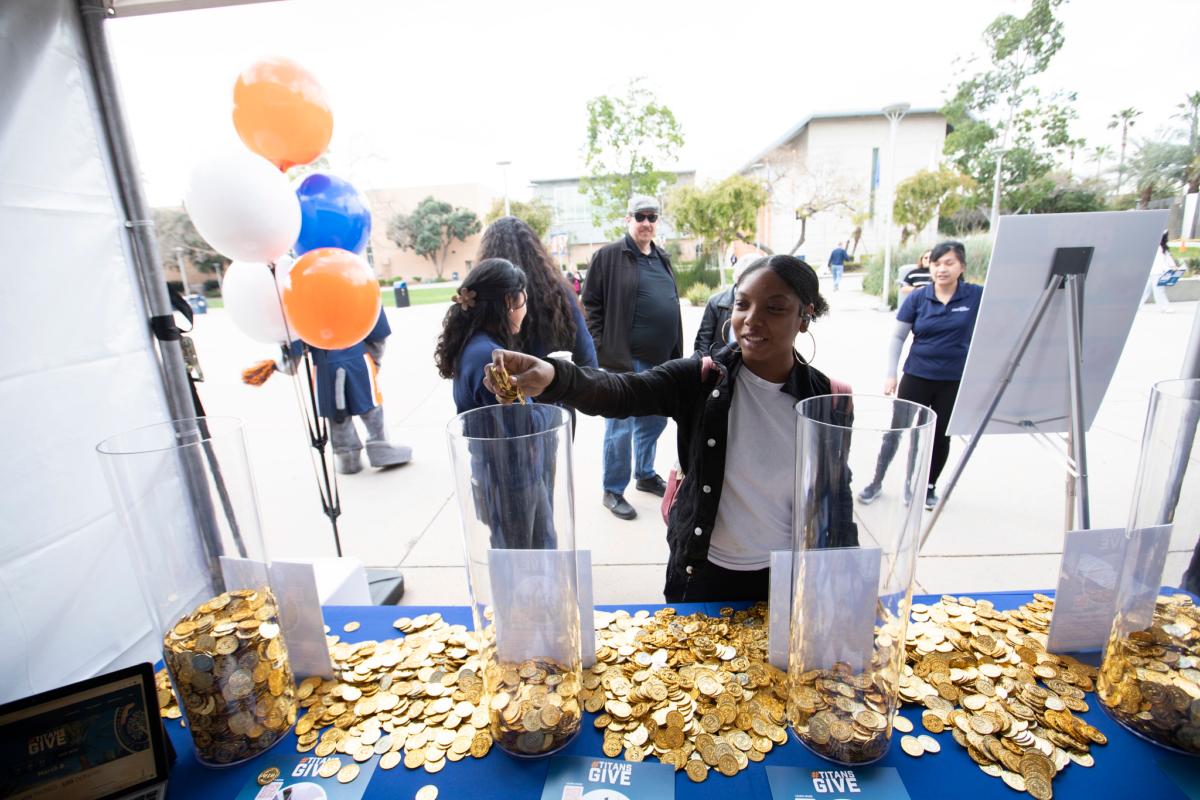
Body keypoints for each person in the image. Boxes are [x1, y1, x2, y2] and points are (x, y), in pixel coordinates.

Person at [486, 255, 854, 602]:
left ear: (804, 317)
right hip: (702, 575)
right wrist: (554, 376)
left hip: (785, 582)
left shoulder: (829, 400)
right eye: (742, 304)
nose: (752, 320)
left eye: (774, 308)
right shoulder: (701, 378)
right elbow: (622, 391)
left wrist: (849, 583)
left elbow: (835, 497)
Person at [857, 241, 982, 510]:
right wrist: (891, 375)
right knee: (897, 431)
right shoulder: (918, 297)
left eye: (949, 263)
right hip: (917, 376)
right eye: (937, 263)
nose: (942, 269)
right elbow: (898, 337)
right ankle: (877, 481)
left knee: (940, 436)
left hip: (953, 380)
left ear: (962, 266)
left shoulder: (974, 296)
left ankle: (927, 487)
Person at [582, 195, 684, 520]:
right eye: (640, 216)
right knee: (620, 427)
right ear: (628, 219)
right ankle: (612, 490)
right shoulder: (609, 256)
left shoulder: (662, 257)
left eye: (652, 217)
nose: (647, 223)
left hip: (662, 360)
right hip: (624, 361)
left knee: (655, 420)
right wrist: (601, 349)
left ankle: (644, 473)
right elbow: (590, 305)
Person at [477, 217, 597, 369]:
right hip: (558, 384)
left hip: (507, 387)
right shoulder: (559, 292)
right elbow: (586, 354)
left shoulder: (485, 298)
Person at [434, 258, 529, 414]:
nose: (526, 309)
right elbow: (526, 426)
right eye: (525, 300)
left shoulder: (472, 344)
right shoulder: (492, 358)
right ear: (509, 302)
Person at [693, 252, 761, 355]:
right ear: (738, 279)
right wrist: (706, 362)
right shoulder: (716, 302)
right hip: (721, 364)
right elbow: (703, 342)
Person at [1141, 232, 1177, 312]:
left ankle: (1137, 306)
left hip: (1155, 272)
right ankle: (1164, 307)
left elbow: (1167, 257)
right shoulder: (1156, 248)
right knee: (1159, 291)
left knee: (1146, 290)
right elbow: (1159, 262)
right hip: (1156, 272)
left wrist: (1173, 266)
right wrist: (1169, 268)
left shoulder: (1162, 247)